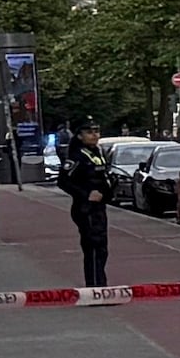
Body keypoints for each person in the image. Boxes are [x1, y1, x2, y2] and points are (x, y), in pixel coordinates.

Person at [58, 124, 107, 292]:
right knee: (93, 246)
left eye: (96, 131)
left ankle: (100, 284)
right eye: (89, 132)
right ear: (80, 136)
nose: (94, 135)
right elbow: (63, 181)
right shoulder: (77, 156)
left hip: (99, 207)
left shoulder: (96, 153)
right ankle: (95, 288)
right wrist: (85, 194)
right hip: (86, 208)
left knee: (101, 248)